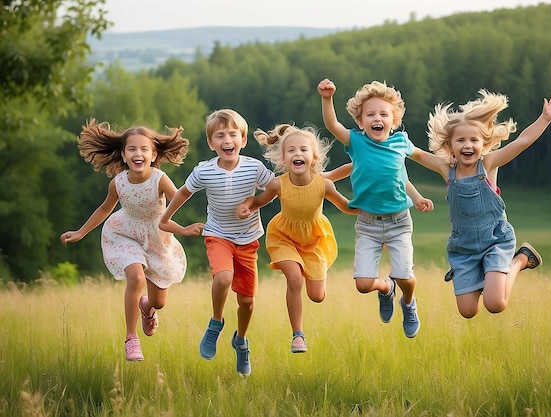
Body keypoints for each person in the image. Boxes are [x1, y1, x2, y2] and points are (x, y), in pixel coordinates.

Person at [410, 89, 551, 318]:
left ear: (483, 143)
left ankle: (519, 260)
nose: (468, 145)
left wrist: (544, 118)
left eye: (474, 140)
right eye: (461, 140)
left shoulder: (489, 164)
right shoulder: (447, 170)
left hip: (494, 240)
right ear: (450, 145)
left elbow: (522, 142)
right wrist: (388, 140)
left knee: (496, 303)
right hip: (463, 248)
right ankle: (482, 274)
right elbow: (415, 154)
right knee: (467, 311)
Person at [60, 118, 197, 361]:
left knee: (159, 302)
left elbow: (178, 201)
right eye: (132, 149)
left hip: (156, 238)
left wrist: (184, 228)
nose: (138, 153)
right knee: (135, 277)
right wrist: (80, 232)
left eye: (144, 149)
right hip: (123, 233)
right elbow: (104, 209)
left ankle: (147, 308)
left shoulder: (160, 180)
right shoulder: (118, 183)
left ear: (154, 155)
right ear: (123, 155)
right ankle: (131, 339)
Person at [159, 109, 274, 377]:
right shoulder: (205, 171)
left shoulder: (254, 168)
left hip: (248, 240)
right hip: (218, 234)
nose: (227, 139)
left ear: (242, 140)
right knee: (223, 278)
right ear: (211, 144)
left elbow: (275, 188)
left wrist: (254, 202)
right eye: (220, 135)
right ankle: (215, 322)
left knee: (247, 302)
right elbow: (183, 193)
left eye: (232, 134)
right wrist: (166, 219)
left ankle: (241, 341)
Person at [317, 79, 434, 338]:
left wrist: (446, 171)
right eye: (370, 114)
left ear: (394, 121)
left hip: (399, 223)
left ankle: (407, 302)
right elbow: (332, 125)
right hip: (368, 225)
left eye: (383, 114)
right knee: (362, 284)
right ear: (361, 122)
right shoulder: (357, 142)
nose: (377, 118)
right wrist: (327, 99)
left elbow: (416, 162)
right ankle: (385, 289)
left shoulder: (400, 142)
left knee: (405, 276)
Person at [236, 124, 357, 353]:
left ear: (314, 157)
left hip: (314, 240)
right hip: (284, 237)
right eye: (291, 151)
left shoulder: (324, 184)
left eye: (303, 150)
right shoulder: (277, 184)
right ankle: (298, 335)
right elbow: (259, 201)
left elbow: (346, 206)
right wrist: (246, 206)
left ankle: (310, 270)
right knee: (294, 278)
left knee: (317, 296)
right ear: (283, 159)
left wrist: (369, 208)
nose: (297, 154)